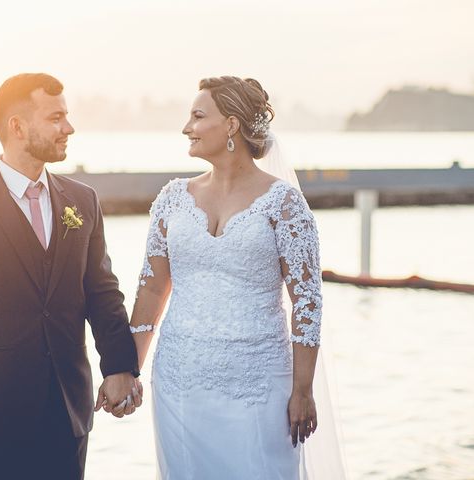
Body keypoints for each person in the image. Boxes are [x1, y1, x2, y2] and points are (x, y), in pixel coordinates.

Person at [0, 73, 141, 480]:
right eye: (56, 117)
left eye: (67, 117)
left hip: (68, 411)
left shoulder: (82, 201)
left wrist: (120, 366)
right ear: (17, 127)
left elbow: (102, 292)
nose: (68, 128)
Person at [129, 76, 330, 479]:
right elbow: (151, 288)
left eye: (198, 116)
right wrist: (128, 370)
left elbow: (307, 301)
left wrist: (303, 389)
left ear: (232, 125)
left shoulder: (284, 203)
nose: (187, 127)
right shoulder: (172, 198)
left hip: (259, 385)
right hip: (179, 382)